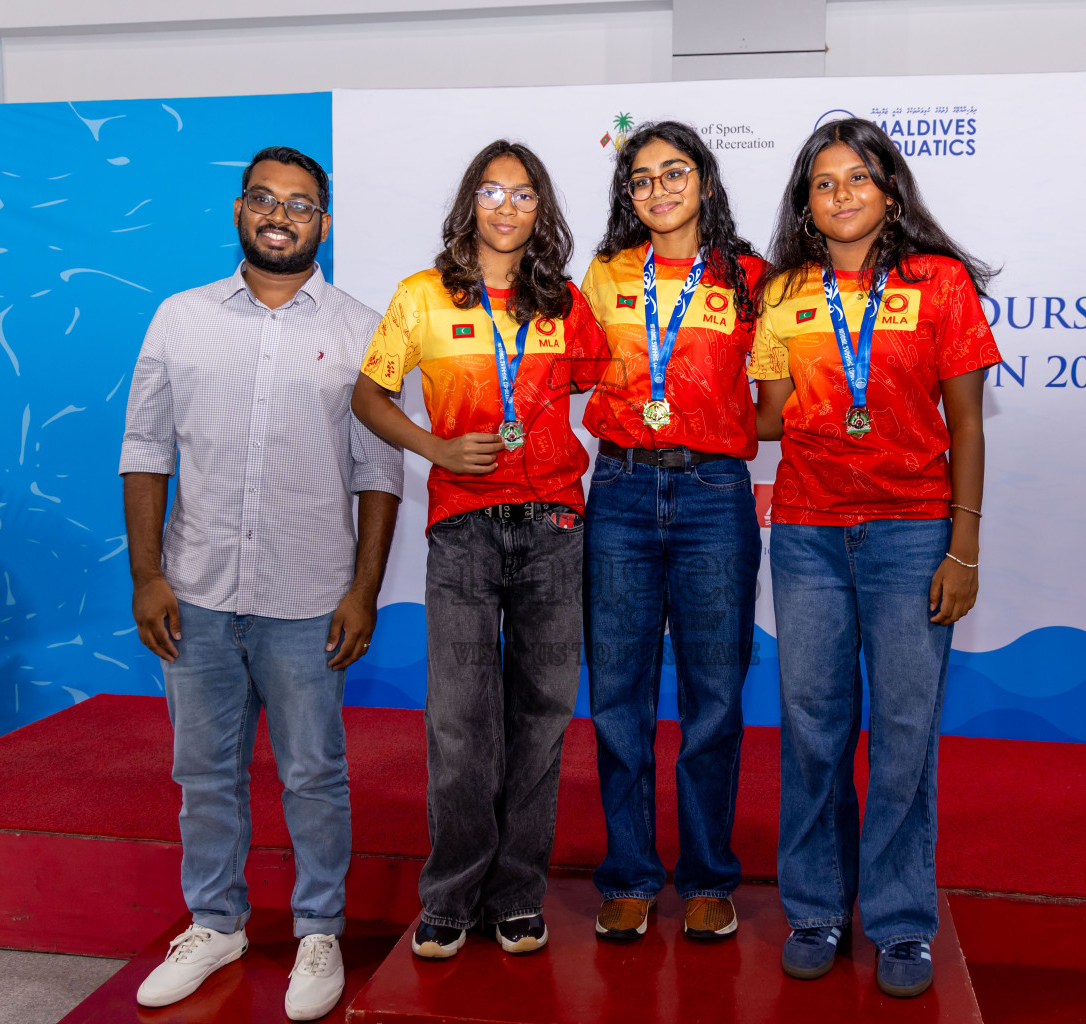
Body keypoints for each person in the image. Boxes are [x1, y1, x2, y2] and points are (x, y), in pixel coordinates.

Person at [119, 146, 402, 1021]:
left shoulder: (362, 327)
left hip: (309, 598)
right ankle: (216, 922)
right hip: (196, 593)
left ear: (324, 221)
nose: (281, 214)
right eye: (265, 199)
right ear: (239, 210)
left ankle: (319, 929)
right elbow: (144, 451)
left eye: (301, 204)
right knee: (203, 772)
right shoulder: (178, 318)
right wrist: (147, 576)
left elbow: (379, 470)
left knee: (314, 775)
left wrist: (362, 591)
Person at [749, 117, 1000, 996]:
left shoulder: (939, 284)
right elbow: (769, 416)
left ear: (889, 190)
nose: (843, 193)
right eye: (824, 182)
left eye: (859, 177)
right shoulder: (783, 294)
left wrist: (962, 546)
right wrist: (658, 397)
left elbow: (965, 424)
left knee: (903, 736)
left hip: (910, 535)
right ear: (806, 205)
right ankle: (815, 907)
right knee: (813, 732)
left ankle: (900, 922)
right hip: (810, 534)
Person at [352, 140, 606, 959]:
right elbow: (368, 392)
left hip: (554, 529)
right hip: (461, 531)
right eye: (492, 192)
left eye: (524, 194)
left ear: (542, 210)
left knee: (540, 721)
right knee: (461, 723)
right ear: (470, 204)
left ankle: (517, 893)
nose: (507, 206)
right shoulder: (422, 297)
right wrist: (432, 447)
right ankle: (452, 894)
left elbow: (613, 385)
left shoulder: (564, 302)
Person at [579, 120, 765, 943]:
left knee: (713, 698)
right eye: (642, 179)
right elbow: (569, 373)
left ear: (707, 181)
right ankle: (627, 874)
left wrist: (721, 430)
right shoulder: (605, 274)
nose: (658, 189)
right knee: (618, 695)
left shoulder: (752, 278)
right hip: (618, 489)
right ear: (629, 196)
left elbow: (781, 393)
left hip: (713, 493)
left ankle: (706, 876)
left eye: (674, 172)